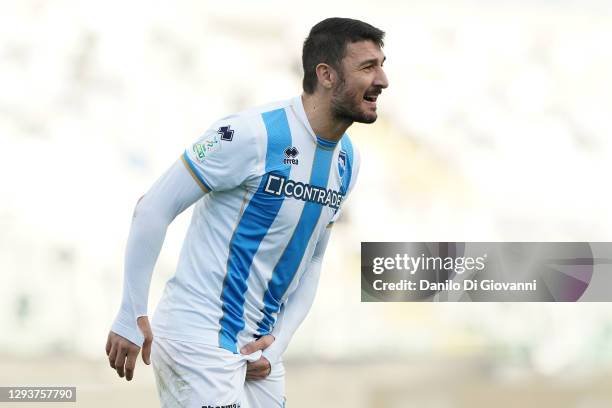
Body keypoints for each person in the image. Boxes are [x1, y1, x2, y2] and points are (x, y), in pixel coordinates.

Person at [106, 16, 388, 408]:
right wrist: (130, 312)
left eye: (382, 65)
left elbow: (313, 260)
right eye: (368, 67)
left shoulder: (347, 162)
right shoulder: (249, 133)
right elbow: (153, 207)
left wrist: (279, 344)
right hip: (198, 337)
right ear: (326, 75)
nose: (383, 80)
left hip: (259, 354)